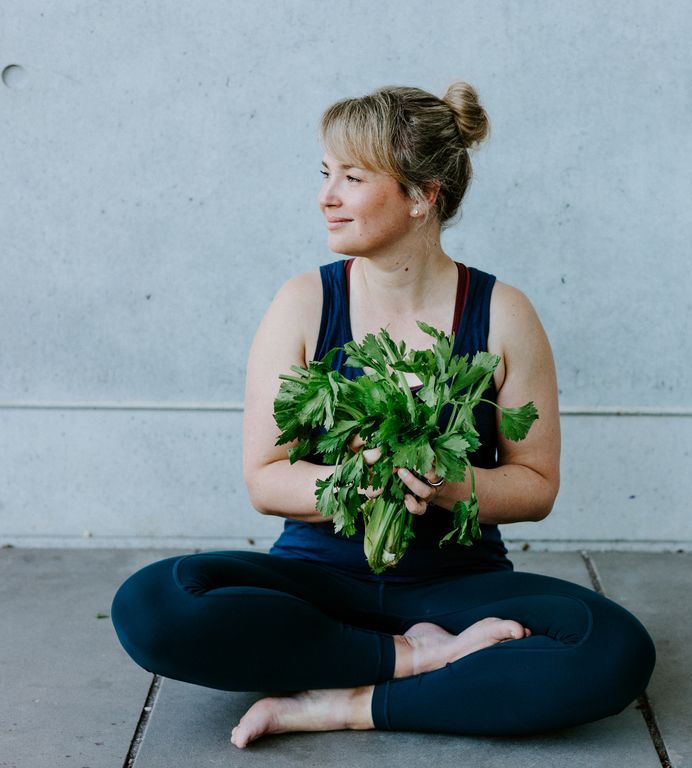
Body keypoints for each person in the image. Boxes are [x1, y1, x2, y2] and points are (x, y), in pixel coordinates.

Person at [112, 82, 655, 749]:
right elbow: (265, 477)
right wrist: (355, 481)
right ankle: (416, 661)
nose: (326, 196)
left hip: (455, 587)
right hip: (318, 580)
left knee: (616, 649)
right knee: (153, 605)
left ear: (423, 195)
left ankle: (345, 701)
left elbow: (536, 483)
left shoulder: (504, 314)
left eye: (353, 177)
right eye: (325, 174)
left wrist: (452, 488)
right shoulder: (303, 302)